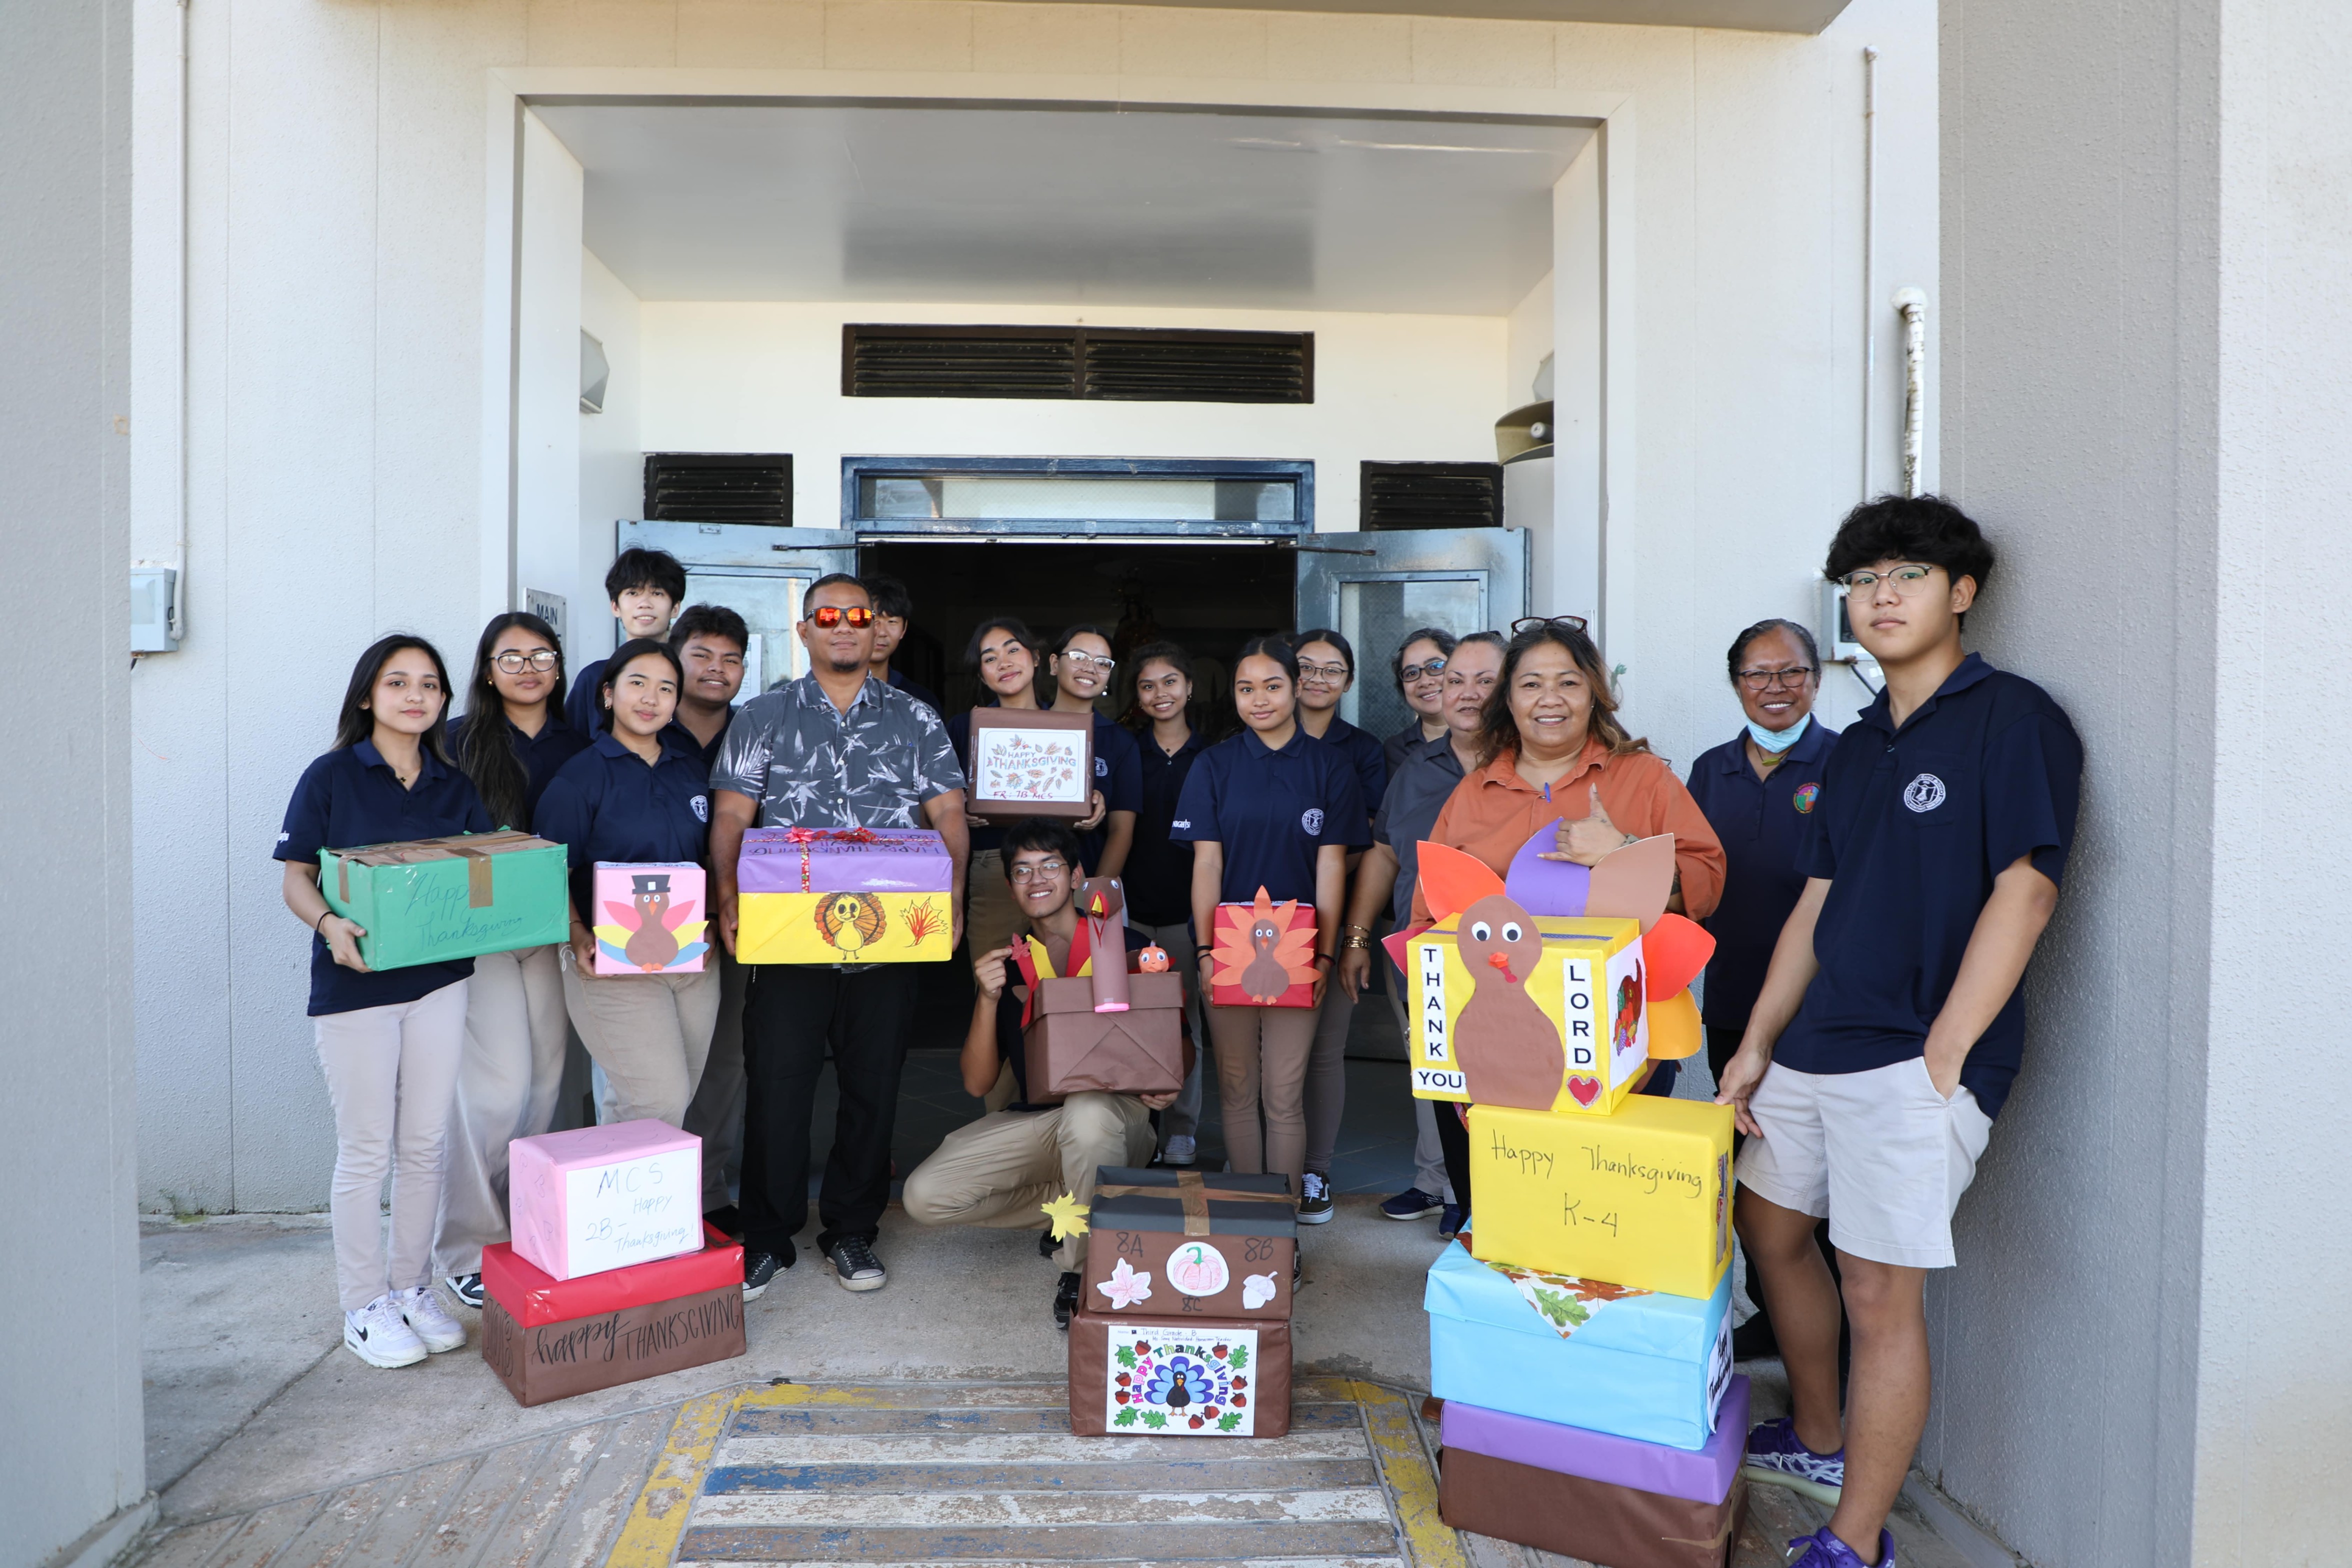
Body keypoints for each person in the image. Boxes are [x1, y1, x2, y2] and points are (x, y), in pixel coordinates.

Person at [1718, 498, 2080, 1568]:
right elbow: (1818, 901)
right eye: (1865, 578)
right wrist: (1756, 1041)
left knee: (1879, 1287)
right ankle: (1823, 1433)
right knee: (1767, 1223)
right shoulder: (1862, 740)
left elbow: (2027, 887)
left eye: (1908, 574)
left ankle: (1856, 1536)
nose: (1882, 593)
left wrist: (1949, 1049)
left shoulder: (2013, 718)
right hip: (1817, 1042)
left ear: (1961, 592)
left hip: (1917, 1056)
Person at [1412, 618, 1727, 1222]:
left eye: (1568, 682)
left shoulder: (1643, 778)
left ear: (1595, 695)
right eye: (1531, 684)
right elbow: (1432, 914)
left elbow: (1707, 884)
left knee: (1600, 1223)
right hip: (1491, 1055)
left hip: (1620, 1055)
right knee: (1504, 1220)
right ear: (1508, 699)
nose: (1550, 699)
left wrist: (1624, 848)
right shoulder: (1475, 790)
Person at [710, 574, 970, 1298]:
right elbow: (732, 816)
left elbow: (948, 812)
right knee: (778, 1089)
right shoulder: (762, 716)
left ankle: (852, 1232)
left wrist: (951, 898)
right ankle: (767, 1237)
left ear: (877, 628)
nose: (846, 627)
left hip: (888, 938)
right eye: (829, 617)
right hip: (788, 935)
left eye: (860, 616)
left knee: (874, 1087)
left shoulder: (915, 719)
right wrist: (729, 895)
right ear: (805, 632)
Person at [275, 634, 486, 1368]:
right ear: (368, 695)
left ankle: (412, 1289)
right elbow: (296, 877)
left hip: (440, 982)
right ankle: (363, 1304)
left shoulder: (453, 784)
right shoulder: (331, 775)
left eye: (430, 685)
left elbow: (479, 876)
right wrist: (330, 923)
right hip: (355, 984)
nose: (416, 696)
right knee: (368, 1149)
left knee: (426, 1143)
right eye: (398, 683)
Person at [900, 820, 1182, 1327]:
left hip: (1115, 1122)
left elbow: (1179, 1045)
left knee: (1089, 1111)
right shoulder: (1009, 964)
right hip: (1041, 1123)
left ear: (1076, 876)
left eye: (1050, 865)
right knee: (925, 1196)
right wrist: (987, 998)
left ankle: (1081, 1270)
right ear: (1010, 886)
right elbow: (977, 1084)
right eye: (1022, 870)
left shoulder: (1128, 945)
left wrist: (1166, 1085)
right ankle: (1090, 1206)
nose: (1037, 879)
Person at [1683, 616, 1840, 1356]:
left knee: (1821, 1192)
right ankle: (1772, 1320)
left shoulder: (1847, 763)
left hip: (1820, 1011)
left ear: (1816, 677)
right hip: (1732, 1004)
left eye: (1790, 673)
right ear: (1736, 683)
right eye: (1757, 675)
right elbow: (1688, 876)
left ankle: (1833, 1338)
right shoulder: (1710, 769)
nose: (1774, 689)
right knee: (1751, 1174)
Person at [1172, 636, 1368, 1192]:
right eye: (1246, 688)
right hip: (1228, 947)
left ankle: (1281, 1236)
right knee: (1237, 1087)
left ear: (1297, 687)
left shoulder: (1330, 767)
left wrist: (1325, 952)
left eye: (1273, 685)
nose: (1260, 699)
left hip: (1300, 949)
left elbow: (1332, 869)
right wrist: (1207, 950)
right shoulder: (1213, 765)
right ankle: (1244, 1216)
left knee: (1283, 1093)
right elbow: (1206, 865)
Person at [432, 612, 588, 1310]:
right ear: (488, 669)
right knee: (494, 1091)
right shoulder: (456, 742)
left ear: (559, 667)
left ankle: (528, 1227)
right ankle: (469, 1244)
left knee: (548, 1089)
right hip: (485, 933)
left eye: (542, 655)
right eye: (511, 657)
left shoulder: (579, 743)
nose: (528, 668)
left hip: (558, 928)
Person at [1338, 630, 1506, 1238]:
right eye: (1452, 678)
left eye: (1481, 679)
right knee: (1438, 1076)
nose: (1462, 691)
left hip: (1507, 964)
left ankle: (1502, 1199)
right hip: (1426, 953)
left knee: (1504, 1077)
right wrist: (1358, 938)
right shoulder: (1413, 767)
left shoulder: (1529, 765)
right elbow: (1384, 856)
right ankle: (1454, 1192)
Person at [534, 638, 722, 1136]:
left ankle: (645, 1213)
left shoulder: (691, 772)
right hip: (612, 961)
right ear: (608, 694)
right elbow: (548, 871)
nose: (650, 697)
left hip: (693, 961)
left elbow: (712, 858)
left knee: (674, 1100)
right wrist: (575, 935)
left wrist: (714, 926)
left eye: (665, 688)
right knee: (654, 1097)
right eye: (637, 683)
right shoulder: (579, 779)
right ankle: (621, 1213)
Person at [662, 604, 756, 1234]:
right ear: (676, 658)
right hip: (648, 925)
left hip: (737, 922)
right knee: (652, 1067)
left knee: (726, 1059)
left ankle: (708, 1191)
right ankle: (650, 1193)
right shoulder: (641, 726)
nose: (716, 669)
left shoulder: (758, 732)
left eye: (730, 659)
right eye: (702, 655)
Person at [1286, 628, 1386, 1222]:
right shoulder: (1261, 737)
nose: (1318, 679)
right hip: (1259, 923)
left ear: (1348, 681)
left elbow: (1368, 845)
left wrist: (1352, 934)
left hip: (1331, 917)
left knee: (1324, 1051)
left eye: (1332, 670)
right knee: (1267, 1053)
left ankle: (1315, 1170)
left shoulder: (1362, 750)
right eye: (1306, 667)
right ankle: (1269, 1164)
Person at [946, 618, 1108, 971]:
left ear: (1036, 659)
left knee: (1074, 984)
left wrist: (1094, 801)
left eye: (1013, 650)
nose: (1003, 663)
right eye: (989, 658)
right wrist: (957, 807)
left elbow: (1081, 792)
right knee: (995, 979)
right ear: (981, 674)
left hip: (1057, 863)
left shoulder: (1066, 726)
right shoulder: (962, 727)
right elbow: (937, 804)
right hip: (992, 865)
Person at [1122, 641, 1209, 1167]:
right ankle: (1136, 1128)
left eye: (1170, 682)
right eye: (1148, 685)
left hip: (1187, 914)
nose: (1160, 694)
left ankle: (1181, 1128)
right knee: (1127, 1019)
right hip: (1130, 911)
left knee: (1185, 1023)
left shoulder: (1216, 756)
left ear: (1190, 687)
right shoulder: (1128, 751)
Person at [1046, 624, 1144, 878]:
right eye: (1079, 657)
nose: (1090, 668)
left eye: (1102, 663)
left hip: (1085, 878)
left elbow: (1121, 832)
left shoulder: (1120, 742)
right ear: (1055, 664)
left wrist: (1097, 888)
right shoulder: (1022, 729)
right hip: (1019, 878)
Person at [562, 546, 686, 735]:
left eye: (657, 593)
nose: (645, 603)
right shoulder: (594, 677)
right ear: (615, 607)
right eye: (633, 593)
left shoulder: (688, 678)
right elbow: (571, 745)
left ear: (675, 608)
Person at [1383, 627, 1458, 778]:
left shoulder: (1493, 740)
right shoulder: (1394, 751)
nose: (1424, 681)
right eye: (1411, 673)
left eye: (1436, 666)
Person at [862, 570, 940, 714]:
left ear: (904, 629)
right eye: (873, 620)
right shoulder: (831, 695)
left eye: (892, 622)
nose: (882, 632)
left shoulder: (921, 701)